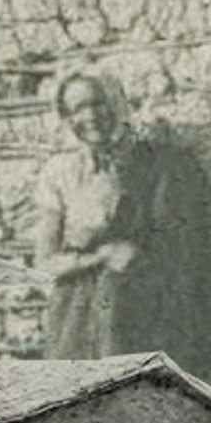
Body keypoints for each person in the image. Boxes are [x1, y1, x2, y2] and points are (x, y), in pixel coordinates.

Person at [35, 71, 211, 379]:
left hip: (139, 307)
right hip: (77, 311)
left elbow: (184, 244)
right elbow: (45, 261)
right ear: (65, 117)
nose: (89, 116)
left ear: (116, 104)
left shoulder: (158, 164)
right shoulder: (60, 173)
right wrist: (101, 256)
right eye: (76, 109)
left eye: (98, 103)